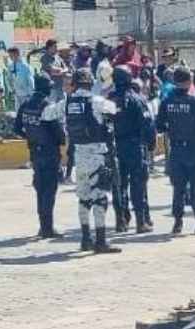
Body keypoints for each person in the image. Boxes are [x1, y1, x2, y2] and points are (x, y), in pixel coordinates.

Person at [57, 69, 120, 253]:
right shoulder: (96, 101)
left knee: (83, 197)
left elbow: (48, 114)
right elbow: (115, 110)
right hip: (96, 155)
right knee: (100, 197)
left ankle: (85, 239)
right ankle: (100, 241)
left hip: (79, 155)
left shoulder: (68, 102)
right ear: (90, 83)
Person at [155, 66, 195, 236]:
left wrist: (173, 129)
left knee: (178, 189)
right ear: (189, 81)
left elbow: (159, 125)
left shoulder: (167, 101)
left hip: (176, 149)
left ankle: (177, 224)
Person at [15, 75, 65, 238]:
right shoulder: (46, 106)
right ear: (45, 88)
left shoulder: (25, 105)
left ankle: (43, 226)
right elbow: (59, 134)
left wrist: (30, 137)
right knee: (49, 191)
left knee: (40, 188)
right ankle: (47, 228)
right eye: (49, 86)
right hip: (50, 153)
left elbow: (17, 128)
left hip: (35, 152)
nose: (51, 89)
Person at [110, 66, 154, 234]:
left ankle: (121, 221)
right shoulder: (137, 99)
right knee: (138, 184)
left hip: (115, 147)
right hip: (135, 146)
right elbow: (148, 124)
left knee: (119, 185)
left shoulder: (109, 100)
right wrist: (150, 144)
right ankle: (141, 222)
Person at [8, 47, 35, 111]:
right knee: (18, 111)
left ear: (17, 54)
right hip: (17, 94)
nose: (10, 57)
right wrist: (12, 89)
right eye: (10, 56)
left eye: (11, 55)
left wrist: (30, 93)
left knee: (26, 111)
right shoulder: (11, 66)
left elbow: (31, 80)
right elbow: (9, 79)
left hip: (26, 94)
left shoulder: (25, 66)